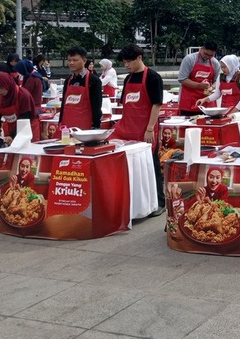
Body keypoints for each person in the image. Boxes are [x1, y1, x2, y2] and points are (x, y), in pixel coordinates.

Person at [111, 44, 166, 214]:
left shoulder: (153, 77)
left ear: (139, 58)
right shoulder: (128, 79)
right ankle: (135, 200)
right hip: (127, 127)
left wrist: (150, 129)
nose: (126, 65)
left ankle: (160, 202)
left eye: (129, 61)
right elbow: (126, 105)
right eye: (124, 62)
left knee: (151, 164)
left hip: (145, 128)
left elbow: (156, 105)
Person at [0, 72, 40, 144]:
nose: (0, 91)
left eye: (2, 88)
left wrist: (12, 136)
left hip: (28, 129)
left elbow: (24, 120)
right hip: (11, 129)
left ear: (8, 85)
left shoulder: (23, 95)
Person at [59, 46, 103, 130]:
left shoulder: (93, 80)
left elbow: (97, 106)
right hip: (67, 127)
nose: (71, 63)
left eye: (75, 60)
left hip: (85, 128)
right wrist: (60, 122)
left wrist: (96, 126)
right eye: (69, 60)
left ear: (84, 61)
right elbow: (63, 105)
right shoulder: (68, 80)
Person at [177, 41, 221, 116]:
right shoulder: (189, 59)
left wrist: (212, 87)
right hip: (189, 101)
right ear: (201, 49)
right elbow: (182, 79)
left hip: (206, 102)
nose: (207, 57)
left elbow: (217, 81)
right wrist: (199, 86)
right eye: (206, 54)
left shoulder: (215, 63)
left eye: (211, 55)